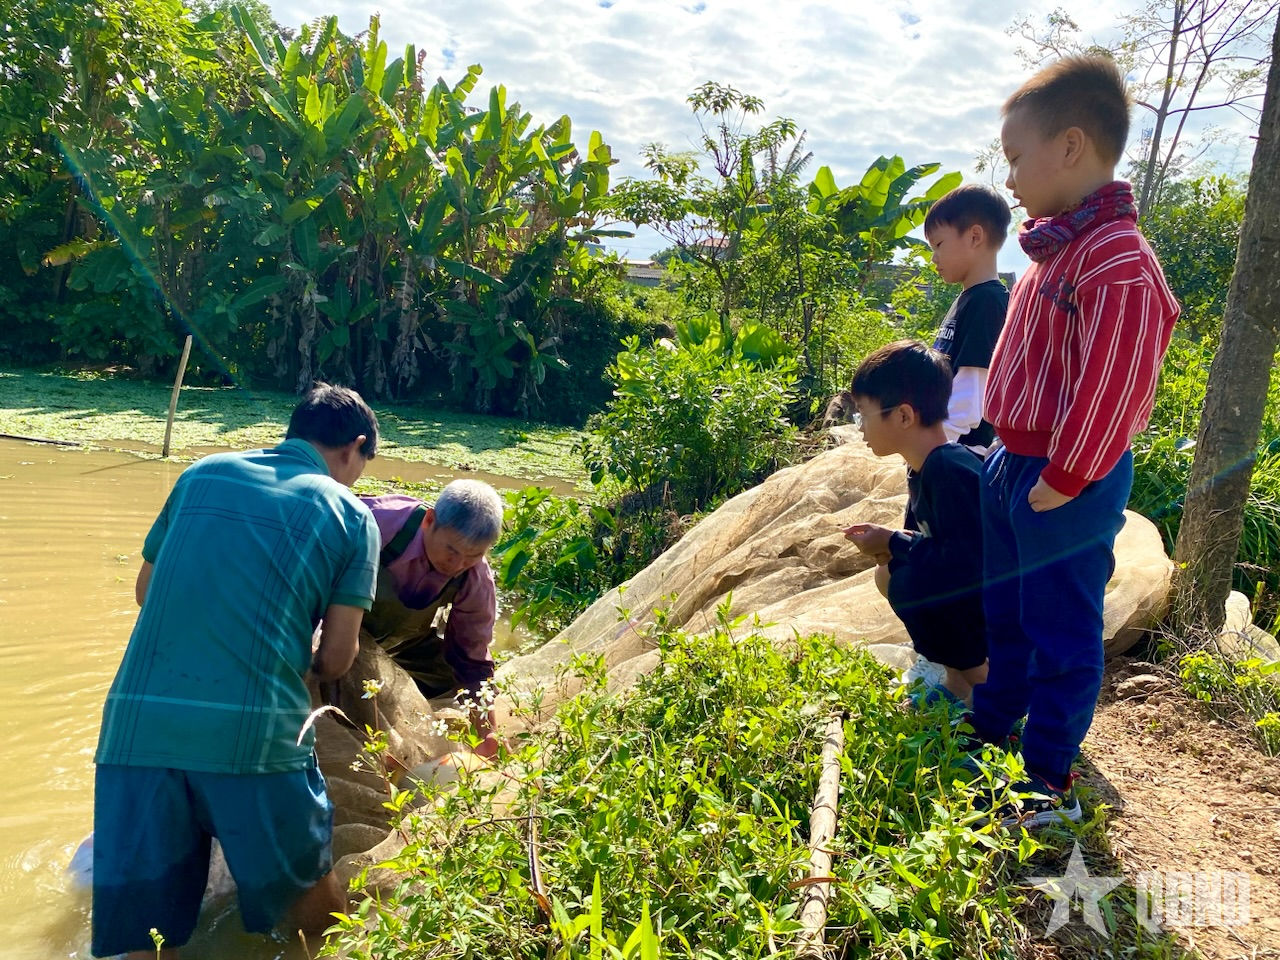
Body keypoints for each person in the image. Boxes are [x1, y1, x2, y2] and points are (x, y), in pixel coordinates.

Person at [91, 383, 382, 959]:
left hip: (134, 730)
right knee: (313, 916)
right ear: (354, 447)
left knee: (146, 935)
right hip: (257, 740)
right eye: (363, 465)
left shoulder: (201, 475)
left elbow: (147, 590)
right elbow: (338, 658)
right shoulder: (351, 514)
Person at [964, 56, 1180, 827]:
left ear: (1071, 146)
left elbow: (1115, 385)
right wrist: (1004, 458)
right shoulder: (1055, 250)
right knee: (1008, 615)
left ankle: (1047, 775)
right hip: (1013, 462)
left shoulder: (1119, 261)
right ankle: (993, 727)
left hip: (1063, 476)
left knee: (1060, 628)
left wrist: (1069, 474)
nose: (1011, 176)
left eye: (1017, 157)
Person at [843, 341, 988, 705]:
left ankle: (987, 688)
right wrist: (888, 545)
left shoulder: (949, 470)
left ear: (904, 416)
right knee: (890, 572)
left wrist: (893, 542)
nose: (860, 428)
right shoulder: (925, 467)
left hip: (997, 607)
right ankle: (957, 681)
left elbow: (968, 562)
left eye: (863, 413)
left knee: (908, 581)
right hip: (973, 596)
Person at [358, 480, 506, 759]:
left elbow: (472, 661)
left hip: (403, 645)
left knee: (451, 686)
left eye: (472, 556)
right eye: (451, 550)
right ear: (429, 520)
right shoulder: (374, 522)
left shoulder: (474, 579)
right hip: (336, 625)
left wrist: (487, 733)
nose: (457, 564)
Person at [922, 183, 1012, 457]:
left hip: (962, 451)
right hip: (948, 445)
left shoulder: (987, 302)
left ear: (974, 237)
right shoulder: (969, 298)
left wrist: (930, 447)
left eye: (938, 244)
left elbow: (972, 393)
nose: (934, 258)